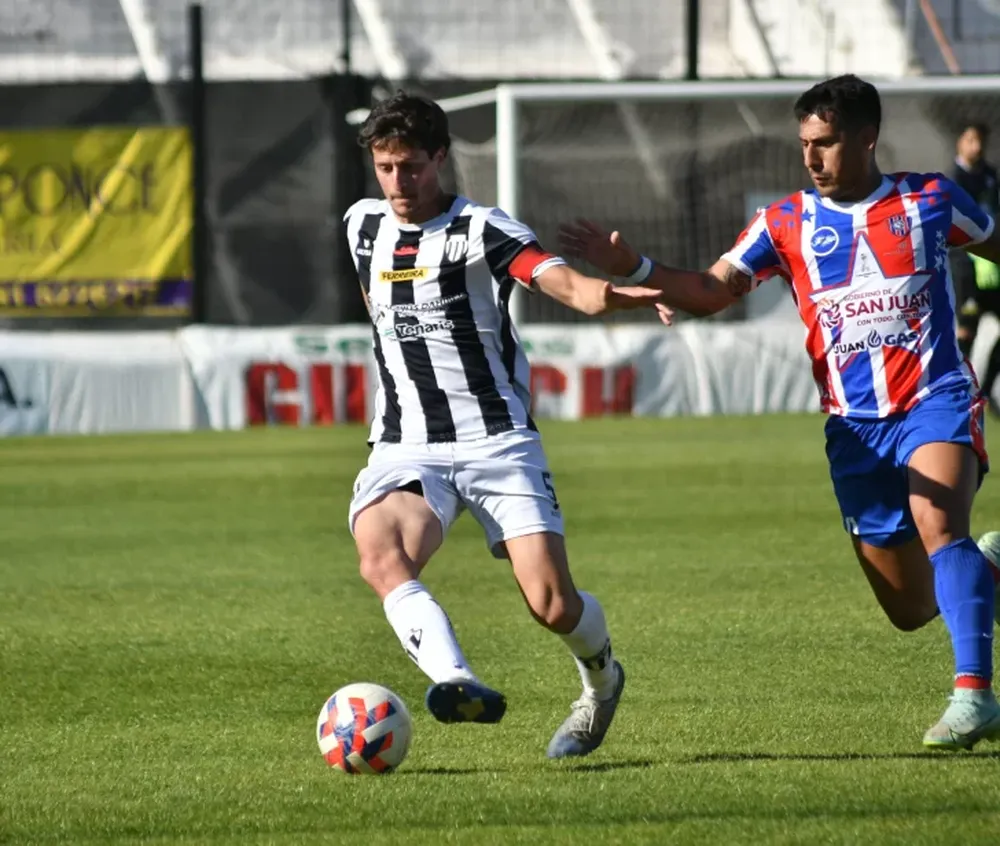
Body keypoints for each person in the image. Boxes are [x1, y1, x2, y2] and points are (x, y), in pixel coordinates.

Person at [560, 74, 1000, 751]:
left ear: (866, 139)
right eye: (804, 145)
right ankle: (988, 571)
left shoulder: (930, 199)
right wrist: (637, 264)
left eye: (824, 144)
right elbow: (710, 290)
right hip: (853, 429)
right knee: (911, 609)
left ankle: (973, 694)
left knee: (940, 522)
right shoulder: (785, 222)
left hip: (933, 396)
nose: (810, 158)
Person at [344, 91, 663, 759]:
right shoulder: (362, 228)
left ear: (441, 157)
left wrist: (615, 288)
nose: (399, 183)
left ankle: (602, 681)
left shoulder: (483, 229)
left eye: (412, 167)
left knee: (551, 605)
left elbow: (560, 283)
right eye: (385, 167)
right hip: (409, 444)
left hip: (497, 440)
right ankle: (455, 679)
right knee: (381, 554)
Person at [951, 122, 1000, 415]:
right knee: (965, 334)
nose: (976, 147)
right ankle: (960, 398)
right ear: (960, 142)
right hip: (967, 274)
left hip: (993, 270)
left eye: (979, 141)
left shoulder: (991, 176)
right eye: (970, 140)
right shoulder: (951, 180)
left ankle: (987, 391)